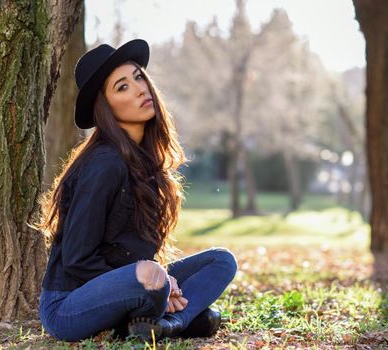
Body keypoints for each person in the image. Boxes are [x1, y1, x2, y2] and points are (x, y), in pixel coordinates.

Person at [35, 38, 237, 342]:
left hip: (132, 287)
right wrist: (144, 277)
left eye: (138, 77)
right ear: (106, 108)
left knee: (221, 261)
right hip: (69, 306)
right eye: (122, 87)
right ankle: (179, 319)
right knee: (159, 283)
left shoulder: (146, 165)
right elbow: (76, 259)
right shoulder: (104, 164)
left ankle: (166, 325)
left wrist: (158, 280)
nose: (141, 88)